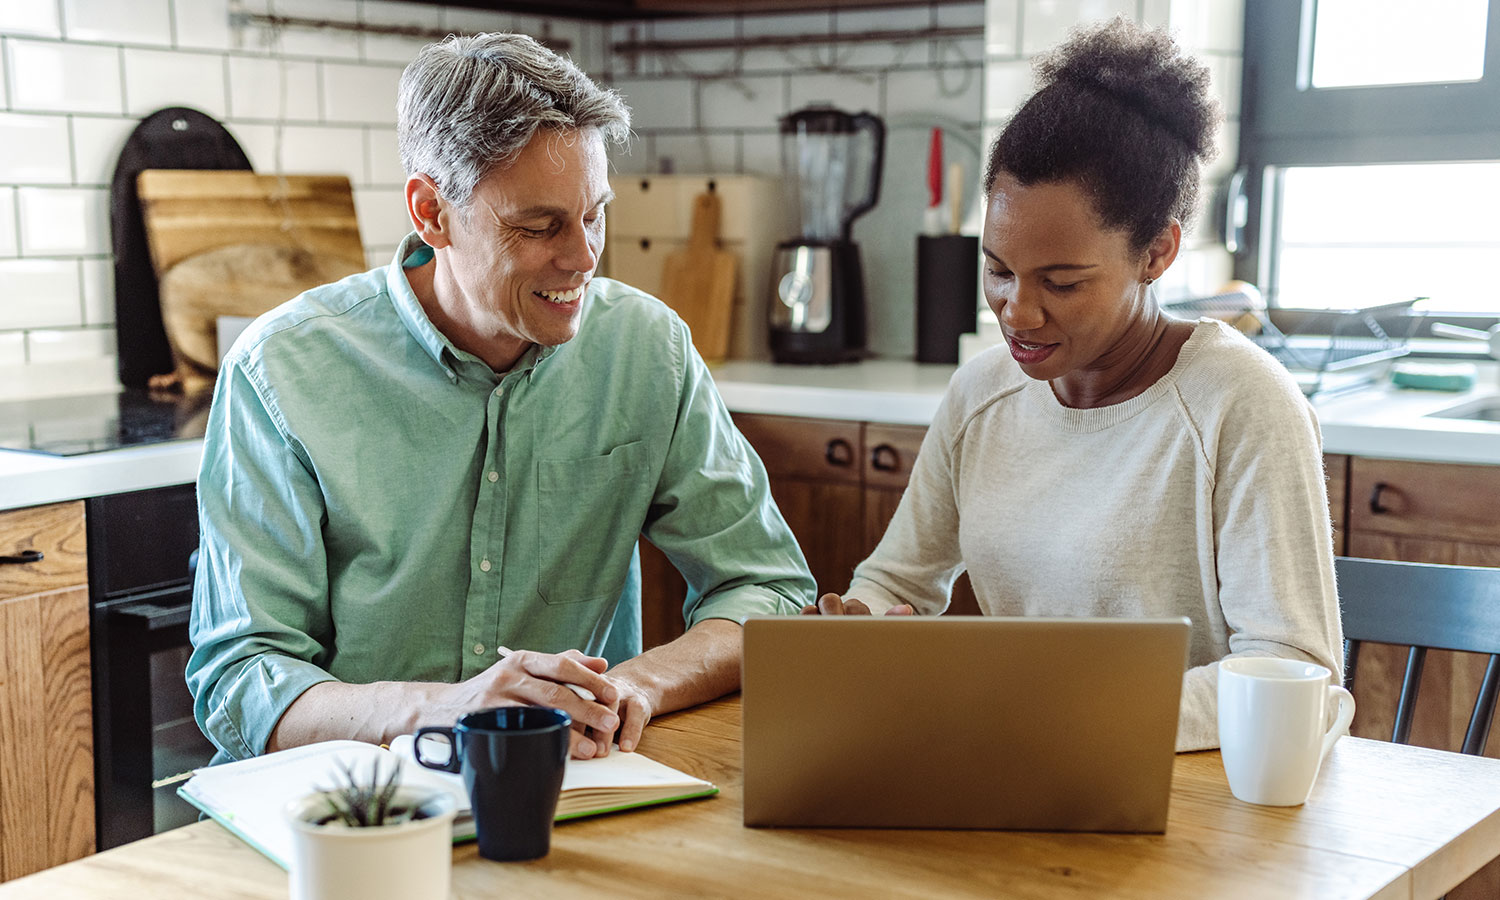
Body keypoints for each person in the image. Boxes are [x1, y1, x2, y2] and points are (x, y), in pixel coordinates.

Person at [187, 32, 814, 764]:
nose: (583, 258)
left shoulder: (648, 352)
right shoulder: (282, 369)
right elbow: (240, 680)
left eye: (594, 214)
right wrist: (442, 710)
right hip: (340, 815)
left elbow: (769, 590)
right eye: (538, 225)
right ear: (430, 212)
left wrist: (636, 687)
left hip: (566, 793)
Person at [803, 18, 1343, 751]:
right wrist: (860, 624)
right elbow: (899, 582)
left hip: (1198, 799)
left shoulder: (1242, 405)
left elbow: (1292, 670)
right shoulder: (982, 393)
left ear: (1157, 252)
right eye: (998, 268)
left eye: (1061, 281)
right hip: (1027, 768)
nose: (1017, 311)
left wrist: (1063, 711)